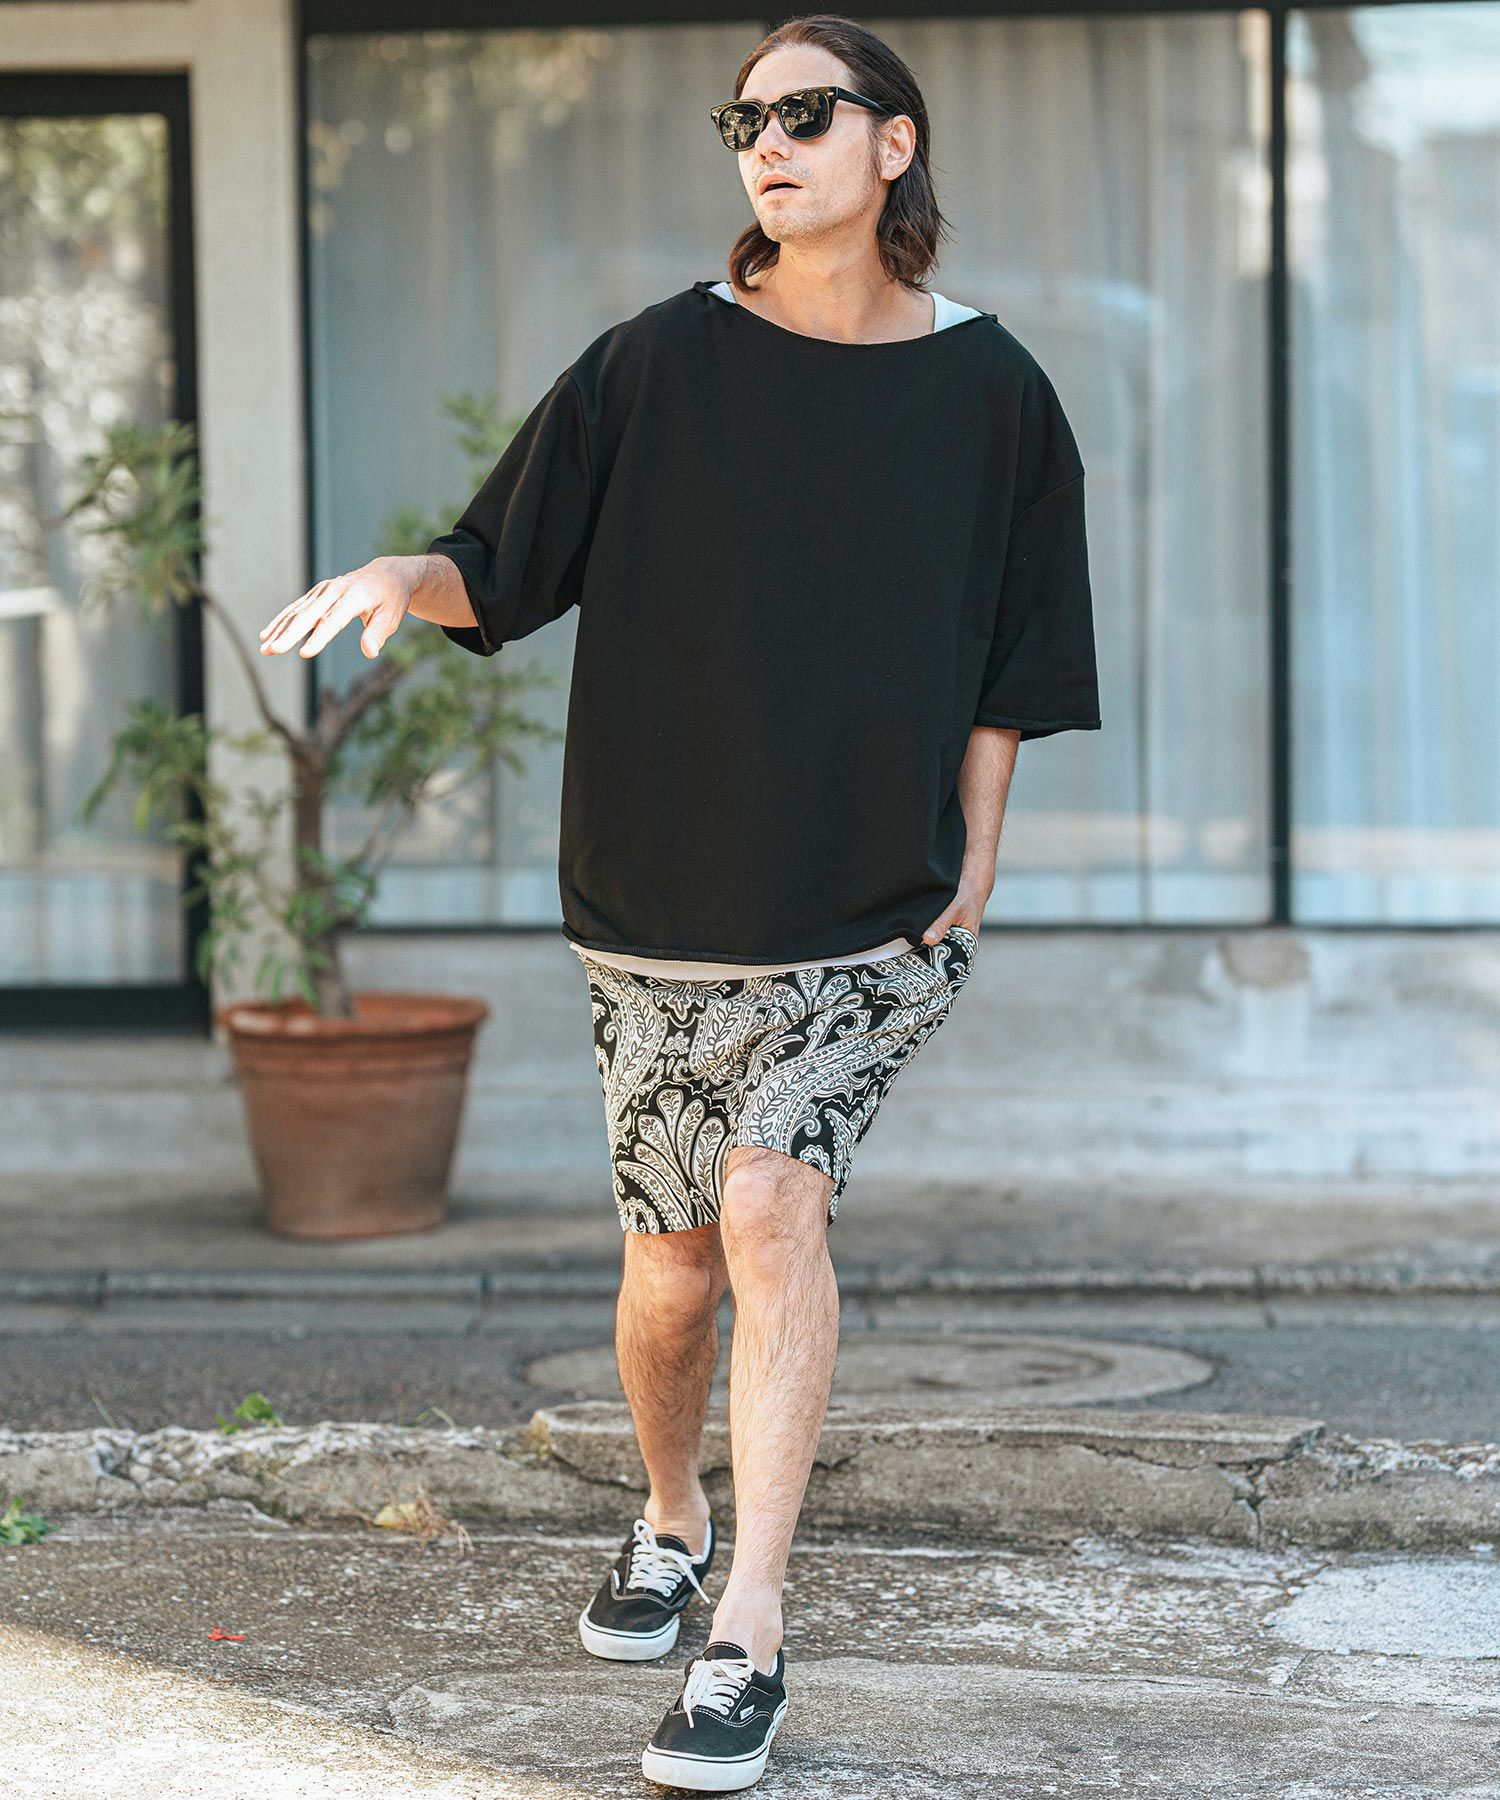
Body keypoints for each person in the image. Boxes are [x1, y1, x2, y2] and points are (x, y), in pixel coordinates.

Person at [259, 12, 1100, 1789]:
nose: (766, 144)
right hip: (657, 901)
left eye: (806, 113)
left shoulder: (997, 390)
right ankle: (667, 1514)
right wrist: (402, 575)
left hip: (870, 909)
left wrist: (982, 846)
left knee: (772, 1201)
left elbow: (1018, 653)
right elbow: (500, 562)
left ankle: (751, 1631)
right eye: (745, 120)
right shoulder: (657, 361)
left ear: (894, 142)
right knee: (673, 1268)